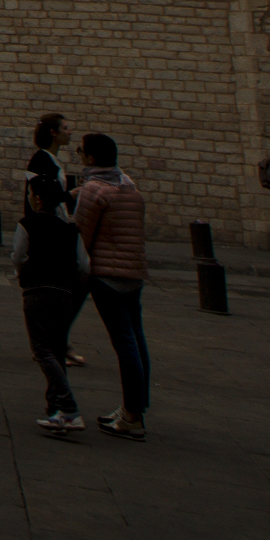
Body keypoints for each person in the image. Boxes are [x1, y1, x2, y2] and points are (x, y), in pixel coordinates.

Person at [74, 131, 149, 438]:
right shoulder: (129, 185)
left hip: (106, 277)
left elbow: (81, 236)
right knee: (136, 341)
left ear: (91, 158)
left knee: (125, 345)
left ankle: (132, 417)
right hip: (133, 275)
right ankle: (135, 408)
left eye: (81, 151)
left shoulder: (94, 189)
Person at [14, 173, 89, 434]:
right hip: (64, 294)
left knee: (42, 351)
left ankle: (69, 409)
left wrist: (23, 273)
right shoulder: (71, 230)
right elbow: (84, 266)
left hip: (37, 291)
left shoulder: (27, 224)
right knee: (57, 351)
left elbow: (18, 256)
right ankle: (55, 409)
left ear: (37, 198)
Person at [26, 112, 73, 214]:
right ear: (53, 132)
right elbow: (47, 196)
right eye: (65, 128)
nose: (70, 132)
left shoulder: (51, 158)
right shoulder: (41, 160)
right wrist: (71, 195)